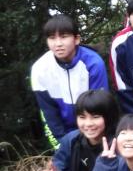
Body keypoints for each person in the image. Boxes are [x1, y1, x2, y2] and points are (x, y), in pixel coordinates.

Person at [31, 14, 109, 148]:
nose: (58, 44)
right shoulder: (40, 69)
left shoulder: (93, 63)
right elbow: (48, 113)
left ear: (76, 39)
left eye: (64, 37)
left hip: (93, 128)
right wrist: (63, 145)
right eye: (52, 38)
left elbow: (100, 109)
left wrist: (93, 143)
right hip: (62, 132)